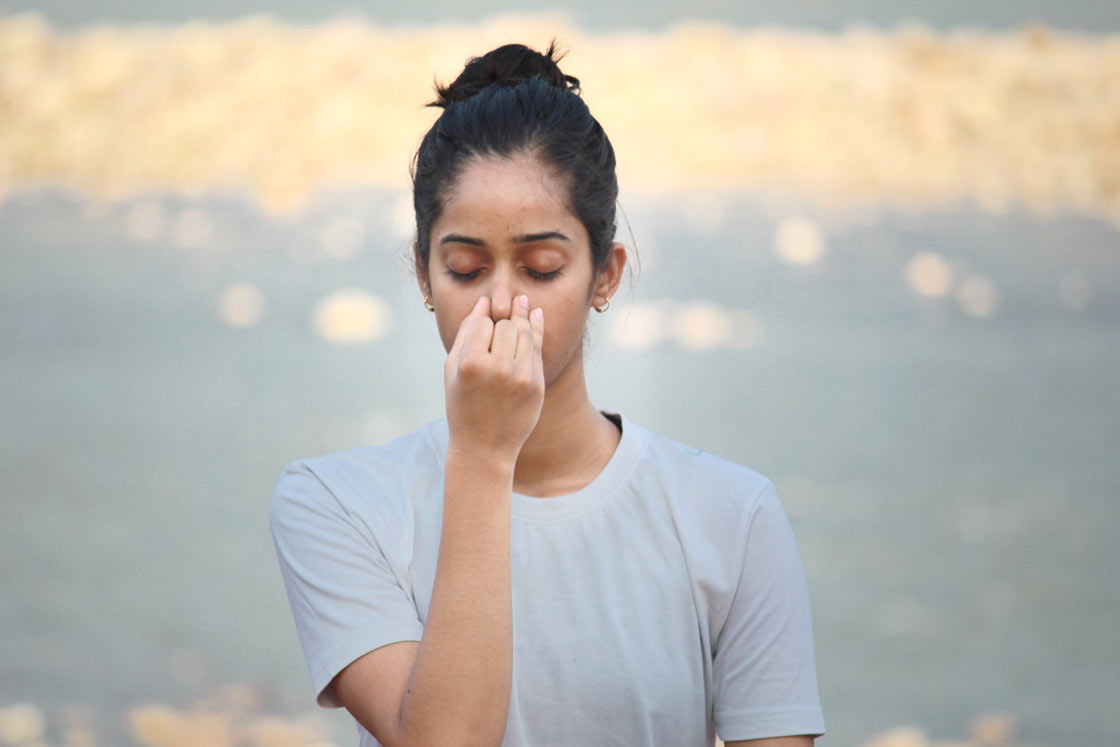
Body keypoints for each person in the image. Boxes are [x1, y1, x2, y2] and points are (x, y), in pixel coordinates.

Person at [270, 42, 825, 747]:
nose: (501, 302)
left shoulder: (730, 517)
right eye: (466, 269)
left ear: (605, 276)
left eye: (541, 267)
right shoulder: (337, 503)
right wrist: (481, 452)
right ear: (422, 275)